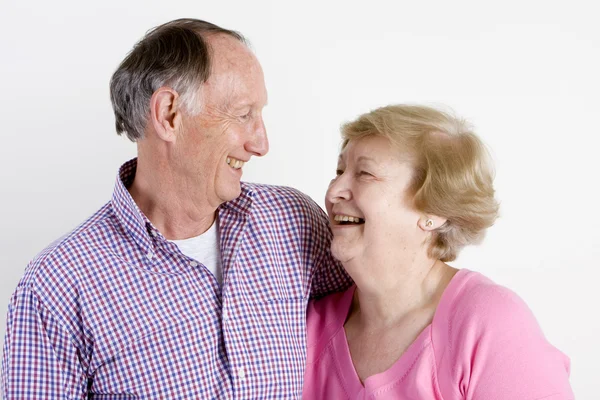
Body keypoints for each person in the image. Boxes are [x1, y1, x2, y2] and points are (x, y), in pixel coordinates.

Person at [1, 19, 351, 398]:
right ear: (169, 114)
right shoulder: (56, 287)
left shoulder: (292, 220)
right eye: (243, 114)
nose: (261, 144)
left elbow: (385, 316)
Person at [303, 105, 574, 399]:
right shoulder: (307, 326)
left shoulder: (488, 323)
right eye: (339, 171)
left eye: (364, 174)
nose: (333, 192)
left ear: (433, 209)